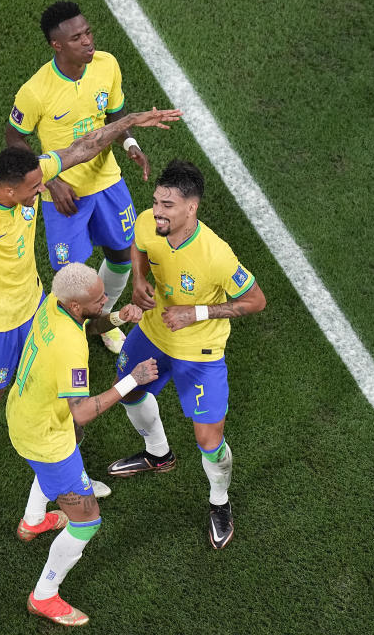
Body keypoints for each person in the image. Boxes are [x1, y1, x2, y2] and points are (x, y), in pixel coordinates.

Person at [0, 108, 181, 506]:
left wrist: (127, 123)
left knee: (62, 397)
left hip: (34, 308)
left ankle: (71, 473)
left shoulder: (30, 178)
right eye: (35, 188)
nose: (42, 190)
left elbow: (84, 146)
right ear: (10, 190)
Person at [107, 160, 266, 549]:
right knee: (126, 389)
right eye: (157, 202)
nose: (158, 211)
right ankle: (158, 454)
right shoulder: (150, 222)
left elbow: (255, 301)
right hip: (154, 331)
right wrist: (140, 280)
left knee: (209, 439)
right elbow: (139, 245)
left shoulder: (216, 256)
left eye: (168, 205)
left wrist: (194, 312)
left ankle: (219, 503)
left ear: (191, 208)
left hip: (201, 351)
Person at [6, 262, 158, 626]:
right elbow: (82, 412)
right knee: (87, 521)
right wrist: (131, 381)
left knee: (72, 442)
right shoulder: (69, 349)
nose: (106, 297)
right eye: (99, 298)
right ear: (75, 304)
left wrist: (118, 316)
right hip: (46, 438)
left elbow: (90, 324)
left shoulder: (53, 303)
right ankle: (44, 596)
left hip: (26, 414)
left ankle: (34, 521)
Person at [6, 0, 151, 355]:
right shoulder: (36, 90)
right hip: (64, 194)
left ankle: (101, 320)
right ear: (57, 45)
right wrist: (49, 181)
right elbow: (14, 137)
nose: (88, 42)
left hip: (108, 183)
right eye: (77, 38)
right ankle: (62, 337)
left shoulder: (107, 65)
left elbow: (115, 114)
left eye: (88, 32)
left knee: (121, 255)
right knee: (69, 274)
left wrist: (129, 142)